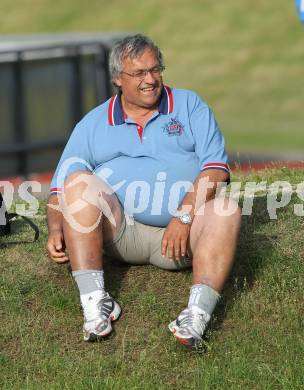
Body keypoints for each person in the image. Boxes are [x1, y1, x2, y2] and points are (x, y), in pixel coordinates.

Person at [47, 34, 241, 349]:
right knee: (78, 183)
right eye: (139, 74)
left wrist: (183, 215)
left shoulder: (190, 105)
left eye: (155, 70)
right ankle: (96, 304)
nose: (150, 80)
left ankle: (196, 317)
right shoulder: (93, 123)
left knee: (226, 208)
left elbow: (215, 169)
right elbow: (59, 188)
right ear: (117, 79)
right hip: (121, 234)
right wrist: (56, 228)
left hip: (185, 235)